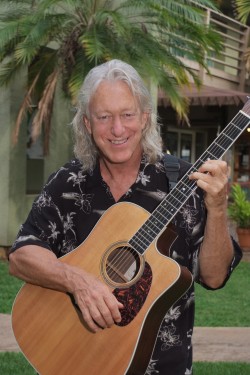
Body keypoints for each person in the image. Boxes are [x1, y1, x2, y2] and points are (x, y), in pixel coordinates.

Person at [9, 59, 242, 375]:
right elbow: (21, 255)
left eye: (127, 114)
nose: (117, 129)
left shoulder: (186, 182)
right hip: (74, 358)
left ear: (145, 118)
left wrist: (216, 208)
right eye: (104, 117)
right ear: (88, 124)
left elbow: (214, 277)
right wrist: (78, 281)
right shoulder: (68, 182)